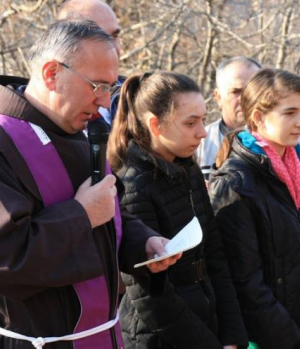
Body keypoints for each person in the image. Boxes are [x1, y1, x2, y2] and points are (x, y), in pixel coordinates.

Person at [0, 19, 178, 349]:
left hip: (104, 333)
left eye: (111, 87)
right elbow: (7, 256)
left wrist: (143, 243)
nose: (103, 102)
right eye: (96, 85)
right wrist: (80, 216)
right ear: (52, 74)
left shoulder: (84, 131)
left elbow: (109, 211)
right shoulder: (4, 140)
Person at [107, 71, 247, 348]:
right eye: (190, 122)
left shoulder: (188, 168)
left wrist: (232, 335)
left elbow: (215, 254)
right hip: (160, 337)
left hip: (208, 317)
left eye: (203, 120)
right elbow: (149, 297)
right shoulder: (132, 183)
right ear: (155, 124)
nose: (203, 132)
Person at [209, 68, 300, 349]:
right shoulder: (235, 182)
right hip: (265, 338)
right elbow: (245, 279)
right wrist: (289, 340)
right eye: (290, 113)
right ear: (258, 117)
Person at [198, 56, 300, 220]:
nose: (246, 98)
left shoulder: (299, 144)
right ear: (218, 97)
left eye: (253, 90)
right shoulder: (200, 142)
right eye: (236, 91)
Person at [58, 0, 123, 124]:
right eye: (101, 38)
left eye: (114, 36)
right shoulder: (51, 109)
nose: (114, 48)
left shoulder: (133, 96)